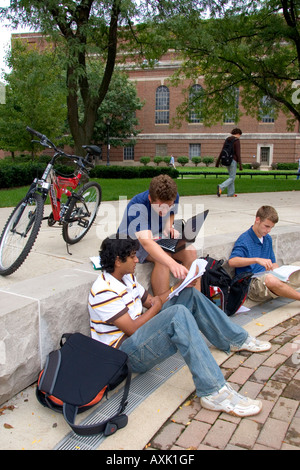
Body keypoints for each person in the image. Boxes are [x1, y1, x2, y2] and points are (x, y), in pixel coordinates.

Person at [88, 235, 271, 417]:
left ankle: (234, 339)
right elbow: (134, 328)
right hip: (126, 355)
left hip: (140, 337)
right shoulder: (103, 290)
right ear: (118, 261)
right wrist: (157, 305)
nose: (137, 260)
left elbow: (151, 301)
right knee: (178, 315)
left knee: (189, 294)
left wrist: (179, 286)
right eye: (132, 256)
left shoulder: (127, 278)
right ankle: (213, 391)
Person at [118, 174, 198, 296]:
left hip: (157, 237)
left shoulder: (173, 196)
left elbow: (172, 213)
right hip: (133, 242)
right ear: (150, 198)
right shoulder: (137, 205)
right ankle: (165, 307)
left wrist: (168, 226)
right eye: (160, 207)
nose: (165, 211)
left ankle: (194, 301)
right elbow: (147, 242)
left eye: (169, 206)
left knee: (191, 252)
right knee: (163, 257)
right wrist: (173, 264)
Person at [228, 205, 300, 302]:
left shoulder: (267, 238)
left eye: (271, 227)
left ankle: (282, 287)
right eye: (266, 226)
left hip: (268, 276)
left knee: (296, 268)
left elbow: (273, 263)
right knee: (270, 280)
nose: (269, 230)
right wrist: (256, 260)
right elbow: (232, 261)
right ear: (257, 220)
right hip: (252, 284)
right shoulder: (244, 239)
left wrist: (280, 273)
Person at [216, 128, 243, 197]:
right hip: (233, 160)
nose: (240, 136)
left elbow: (222, 151)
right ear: (238, 134)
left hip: (226, 160)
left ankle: (231, 193)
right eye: (240, 135)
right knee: (232, 177)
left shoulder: (227, 139)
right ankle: (221, 186)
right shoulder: (236, 141)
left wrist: (218, 161)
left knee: (231, 176)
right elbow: (238, 153)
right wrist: (240, 164)